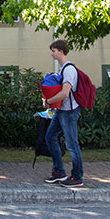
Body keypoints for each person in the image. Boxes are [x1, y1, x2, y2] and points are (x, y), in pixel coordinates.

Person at [42, 39, 84, 188]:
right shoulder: (63, 69)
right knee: (50, 137)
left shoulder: (69, 69)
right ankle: (59, 171)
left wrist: (49, 101)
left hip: (69, 112)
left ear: (61, 51)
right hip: (62, 111)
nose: (52, 54)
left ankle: (77, 177)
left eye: (54, 51)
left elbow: (65, 93)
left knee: (72, 144)